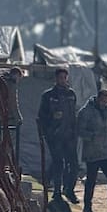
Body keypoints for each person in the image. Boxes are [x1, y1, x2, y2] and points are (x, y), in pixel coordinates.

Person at [36, 68, 79, 204]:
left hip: (70, 135)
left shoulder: (71, 94)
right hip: (55, 135)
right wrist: (49, 127)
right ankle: (57, 192)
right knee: (58, 163)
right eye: (60, 77)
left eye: (65, 78)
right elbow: (41, 116)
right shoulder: (48, 95)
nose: (63, 80)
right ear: (56, 78)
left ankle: (69, 190)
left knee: (74, 164)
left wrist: (75, 131)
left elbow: (74, 114)